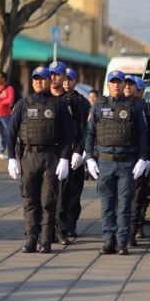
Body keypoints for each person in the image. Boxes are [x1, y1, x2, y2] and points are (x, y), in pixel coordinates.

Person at [6, 66, 74, 253]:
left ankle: (45, 241)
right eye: (35, 79)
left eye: (42, 79)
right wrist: (11, 158)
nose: (38, 82)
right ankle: (30, 239)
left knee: (48, 201)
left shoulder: (59, 105)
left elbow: (68, 135)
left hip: (51, 157)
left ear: (49, 81)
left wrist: (65, 159)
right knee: (29, 200)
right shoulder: (23, 104)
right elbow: (11, 134)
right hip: (29, 157)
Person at [84, 70, 149, 256]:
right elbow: (89, 133)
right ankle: (108, 240)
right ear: (108, 84)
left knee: (125, 204)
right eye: (112, 82)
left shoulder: (134, 107)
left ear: (123, 84)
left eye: (119, 82)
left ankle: (122, 241)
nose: (116, 85)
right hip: (104, 162)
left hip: (127, 163)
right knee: (107, 203)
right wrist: (89, 157)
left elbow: (143, 134)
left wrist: (143, 159)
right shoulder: (98, 105)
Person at [56, 66, 91, 245]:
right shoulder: (54, 99)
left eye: (71, 79)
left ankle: (71, 224)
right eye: (65, 79)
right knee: (58, 191)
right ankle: (58, 225)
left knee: (73, 191)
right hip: (57, 151)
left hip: (74, 151)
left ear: (75, 81)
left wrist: (82, 150)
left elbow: (85, 129)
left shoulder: (81, 102)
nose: (67, 82)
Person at [125, 75, 150, 246]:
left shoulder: (146, 108)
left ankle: (136, 226)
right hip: (122, 157)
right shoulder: (115, 104)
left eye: (134, 86)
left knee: (138, 196)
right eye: (126, 85)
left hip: (139, 158)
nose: (129, 89)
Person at [0, 70, 15, 157]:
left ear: (3, 79)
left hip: (5, 115)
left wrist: (0, 101)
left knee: (6, 134)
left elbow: (10, 100)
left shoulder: (9, 88)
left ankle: (3, 152)